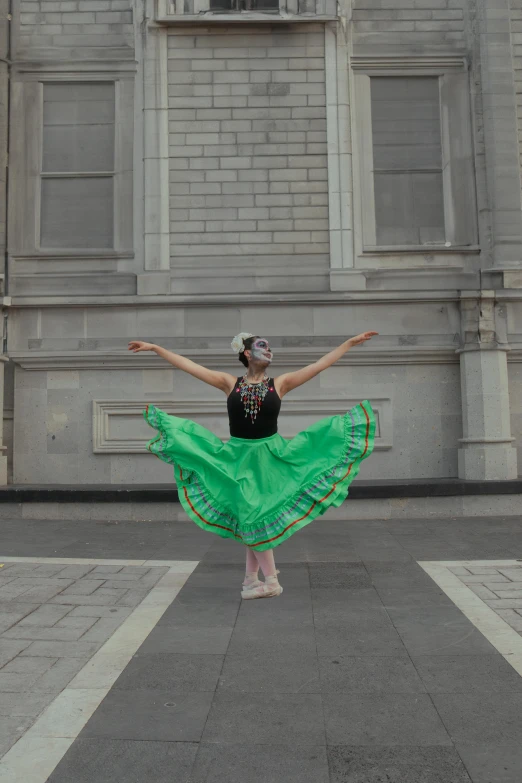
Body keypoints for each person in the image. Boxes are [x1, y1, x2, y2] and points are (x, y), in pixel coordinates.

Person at [128, 331, 378, 599]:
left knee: (253, 517)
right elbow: (190, 366)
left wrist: (349, 344)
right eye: (262, 346)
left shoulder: (280, 384)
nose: (269, 350)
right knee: (251, 517)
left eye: (270, 347)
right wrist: (156, 347)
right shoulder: (229, 383)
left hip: (271, 459)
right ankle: (255, 580)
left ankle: (264, 581)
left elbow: (318, 365)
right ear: (247, 353)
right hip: (237, 458)